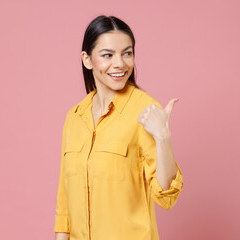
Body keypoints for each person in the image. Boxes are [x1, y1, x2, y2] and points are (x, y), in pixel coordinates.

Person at [54, 15, 184, 240]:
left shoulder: (144, 110)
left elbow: (165, 196)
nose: (120, 64)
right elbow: (65, 202)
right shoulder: (75, 117)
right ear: (87, 59)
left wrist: (163, 136)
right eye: (107, 55)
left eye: (127, 53)